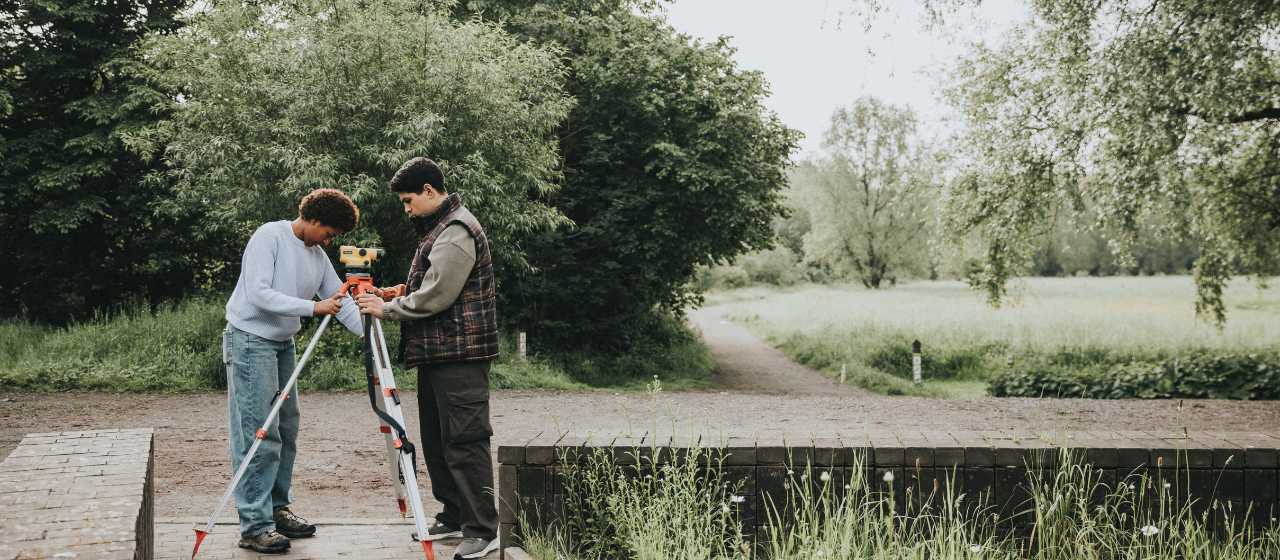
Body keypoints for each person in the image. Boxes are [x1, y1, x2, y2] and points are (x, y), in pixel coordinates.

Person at [355, 157, 501, 559]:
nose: (406, 209)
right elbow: (430, 281)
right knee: (439, 440)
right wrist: (391, 293)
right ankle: (455, 515)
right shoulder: (439, 228)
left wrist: (387, 309)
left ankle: (483, 529)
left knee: (465, 441)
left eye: (407, 200)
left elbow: (438, 294)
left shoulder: (455, 229)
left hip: (459, 354)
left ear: (430, 192)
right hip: (439, 353)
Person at [222, 188, 365, 553]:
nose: (330, 241)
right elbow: (259, 294)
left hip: (283, 343)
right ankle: (255, 525)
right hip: (251, 340)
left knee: (286, 426)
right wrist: (314, 309)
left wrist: (371, 330)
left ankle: (276, 508)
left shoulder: (316, 255)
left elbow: (340, 297)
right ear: (314, 220)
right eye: (330, 233)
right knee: (259, 431)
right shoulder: (269, 237)